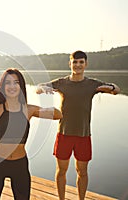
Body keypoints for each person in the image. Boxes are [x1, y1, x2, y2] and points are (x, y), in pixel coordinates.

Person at [0, 68, 63, 200]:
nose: (12, 86)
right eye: (8, 83)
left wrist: (45, 93)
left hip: (19, 164)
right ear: (3, 87)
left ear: (21, 86)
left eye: (16, 82)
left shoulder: (29, 110)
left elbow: (58, 114)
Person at [36, 50, 120, 200]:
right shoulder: (62, 82)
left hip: (83, 135)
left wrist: (112, 88)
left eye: (81, 62)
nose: (78, 65)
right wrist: (43, 88)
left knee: (82, 171)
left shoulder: (92, 84)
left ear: (86, 64)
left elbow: (117, 90)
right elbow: (38, 87)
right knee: (61, 171)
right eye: (75, 62)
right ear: (70, 64)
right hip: (64, 134)